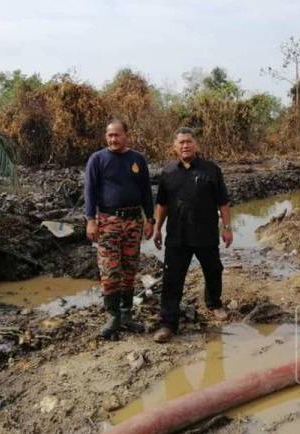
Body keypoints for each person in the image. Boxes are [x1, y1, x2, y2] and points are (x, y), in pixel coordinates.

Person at [152, 127, 233, 343]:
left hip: (205, 233)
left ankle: (214, 304)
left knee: (214, 269)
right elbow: (161, 204)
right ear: (174, 147)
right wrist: (157, 228)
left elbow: (223, 202)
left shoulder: (211, 170)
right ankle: (168, 323)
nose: (185, 145)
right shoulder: (168, 172)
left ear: (195, 145)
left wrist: (227, 227)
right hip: (177, 236)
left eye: (189, 141)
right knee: (172, 279)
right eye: (181, 142)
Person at [84, 120, 155, 339]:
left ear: (127, 135)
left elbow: (145, 190)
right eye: (109, 135)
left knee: (130, 269)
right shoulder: (97, 159)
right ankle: (113, 316)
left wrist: (149, 219)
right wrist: (90, 219)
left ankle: (126, 315)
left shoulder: (137, 159)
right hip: (108, 221)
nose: (113, 139)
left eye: (117, 135)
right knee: (109, 269)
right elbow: (90, 191)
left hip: (134, 222)